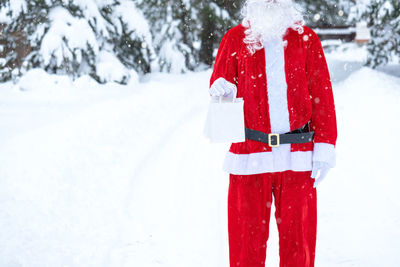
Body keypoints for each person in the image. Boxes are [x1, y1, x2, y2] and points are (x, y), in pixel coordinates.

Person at [208, 0, 337, 266]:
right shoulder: (235, 38)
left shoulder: (306, 39)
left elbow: (321, 95)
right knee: (246, 248)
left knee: (299, 248)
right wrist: (222, 87)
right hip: (250, 155)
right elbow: (220, 78)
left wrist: (325, 145)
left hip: (298, 157)